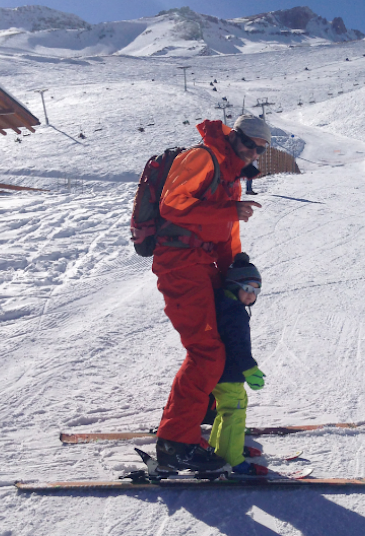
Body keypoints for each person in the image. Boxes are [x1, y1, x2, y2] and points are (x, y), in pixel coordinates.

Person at [153, 114, 270, 471]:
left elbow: (226, 232)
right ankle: (175, 443)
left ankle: (203, 420)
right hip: (181, 264)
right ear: (234, 136)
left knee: (217, 344)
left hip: (204, 267)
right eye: (249, 143)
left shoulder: (230, 176)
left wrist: (237, 269)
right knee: (206, 352)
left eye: (259, 148)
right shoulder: (202, 158)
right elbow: (171, 204)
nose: (253, 152)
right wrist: (228, 210)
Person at [208, 253, 268, 476]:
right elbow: (238, 347)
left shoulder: (226, 305)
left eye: (256, 291)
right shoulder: (234, 313)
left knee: (231, 408)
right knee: (234, 413)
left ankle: (220, 448)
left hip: (222, 372)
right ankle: (232, 459)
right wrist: (250, 369)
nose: (252, 295)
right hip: (228, 372)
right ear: (234, 285)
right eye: (248, 289)